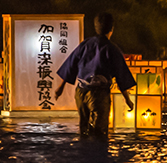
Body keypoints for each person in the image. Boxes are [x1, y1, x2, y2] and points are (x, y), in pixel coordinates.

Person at [59, 12, 137, 140]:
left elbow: (70, 65)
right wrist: (127, 99)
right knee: (99, 133)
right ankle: (98, 157)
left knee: (84, 128)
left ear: (96, 27)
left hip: (81, 92)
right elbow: (121, 75)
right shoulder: (112, 49)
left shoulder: (85, 44)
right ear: (111, 29)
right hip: (99, 95)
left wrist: (60, 88)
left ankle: (83, 156)